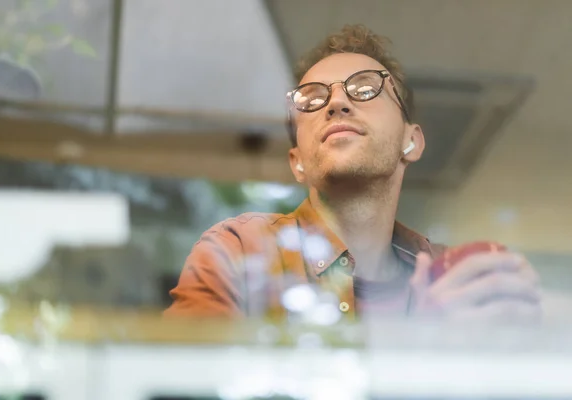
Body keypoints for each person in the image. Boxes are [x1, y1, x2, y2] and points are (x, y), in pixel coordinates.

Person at [165, 25, 541, 323]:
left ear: (411, 142)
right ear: (297, 162)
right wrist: (426, 344)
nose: (336, 102)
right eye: (311, 99)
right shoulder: (241, 251)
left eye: (365, 88)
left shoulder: (456, 276)